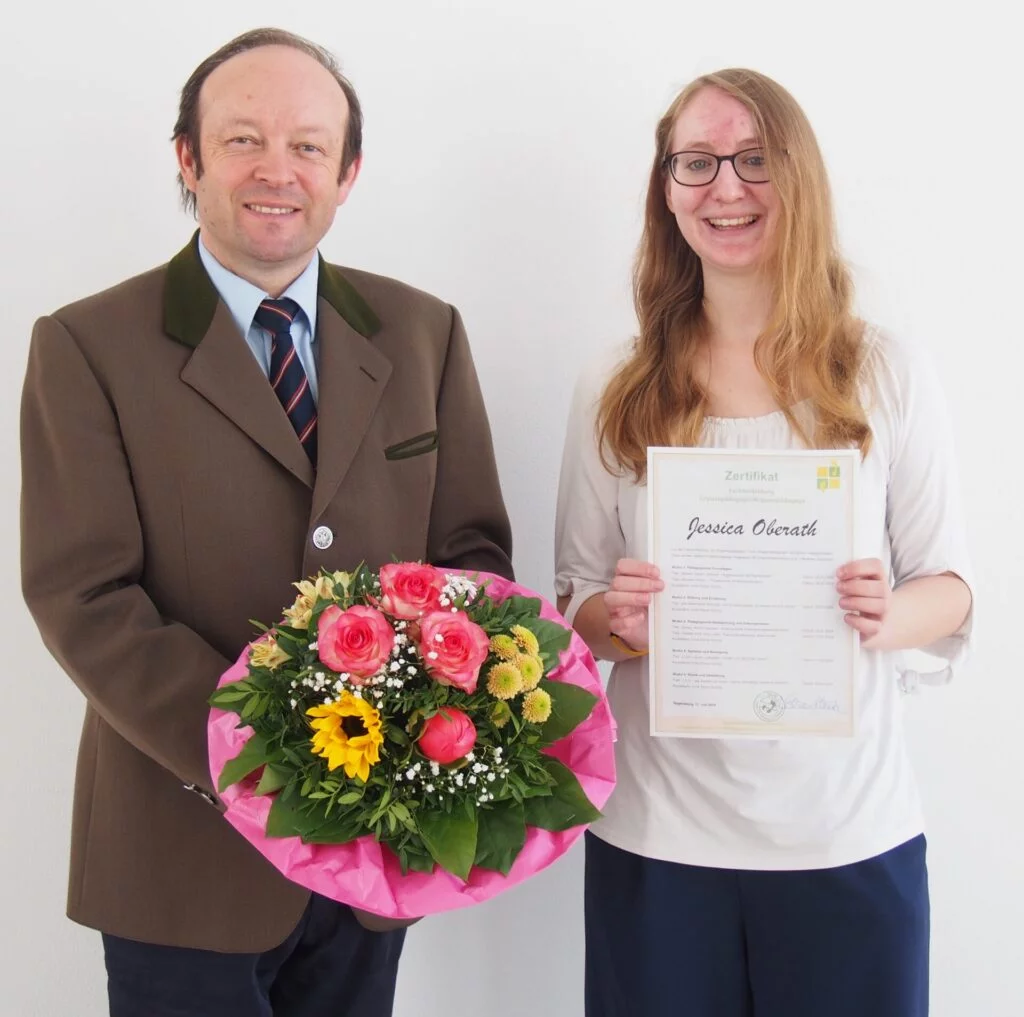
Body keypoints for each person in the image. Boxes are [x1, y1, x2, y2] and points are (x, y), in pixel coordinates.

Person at [20, 27, 513, 1017]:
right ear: (188, 159)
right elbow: (83, 594)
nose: (276, 171)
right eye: (243, 140)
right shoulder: (86, 346)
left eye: (307, 146)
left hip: (373, 856)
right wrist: (270, 747)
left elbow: (472, 558)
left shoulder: (425, 333)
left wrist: (417, 744)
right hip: (181, 856)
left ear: (348, 172)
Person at [554, 68, 973, 1017]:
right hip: (659, 840)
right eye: (695, 163)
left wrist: (888, 608)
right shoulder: (614, 383)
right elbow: (573, 598)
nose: (725, 188)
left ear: (799, 178)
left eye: (753, 160)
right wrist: (617, 622)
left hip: (846, 837)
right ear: (666, 189)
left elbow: (952, 585)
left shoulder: (884, 371)